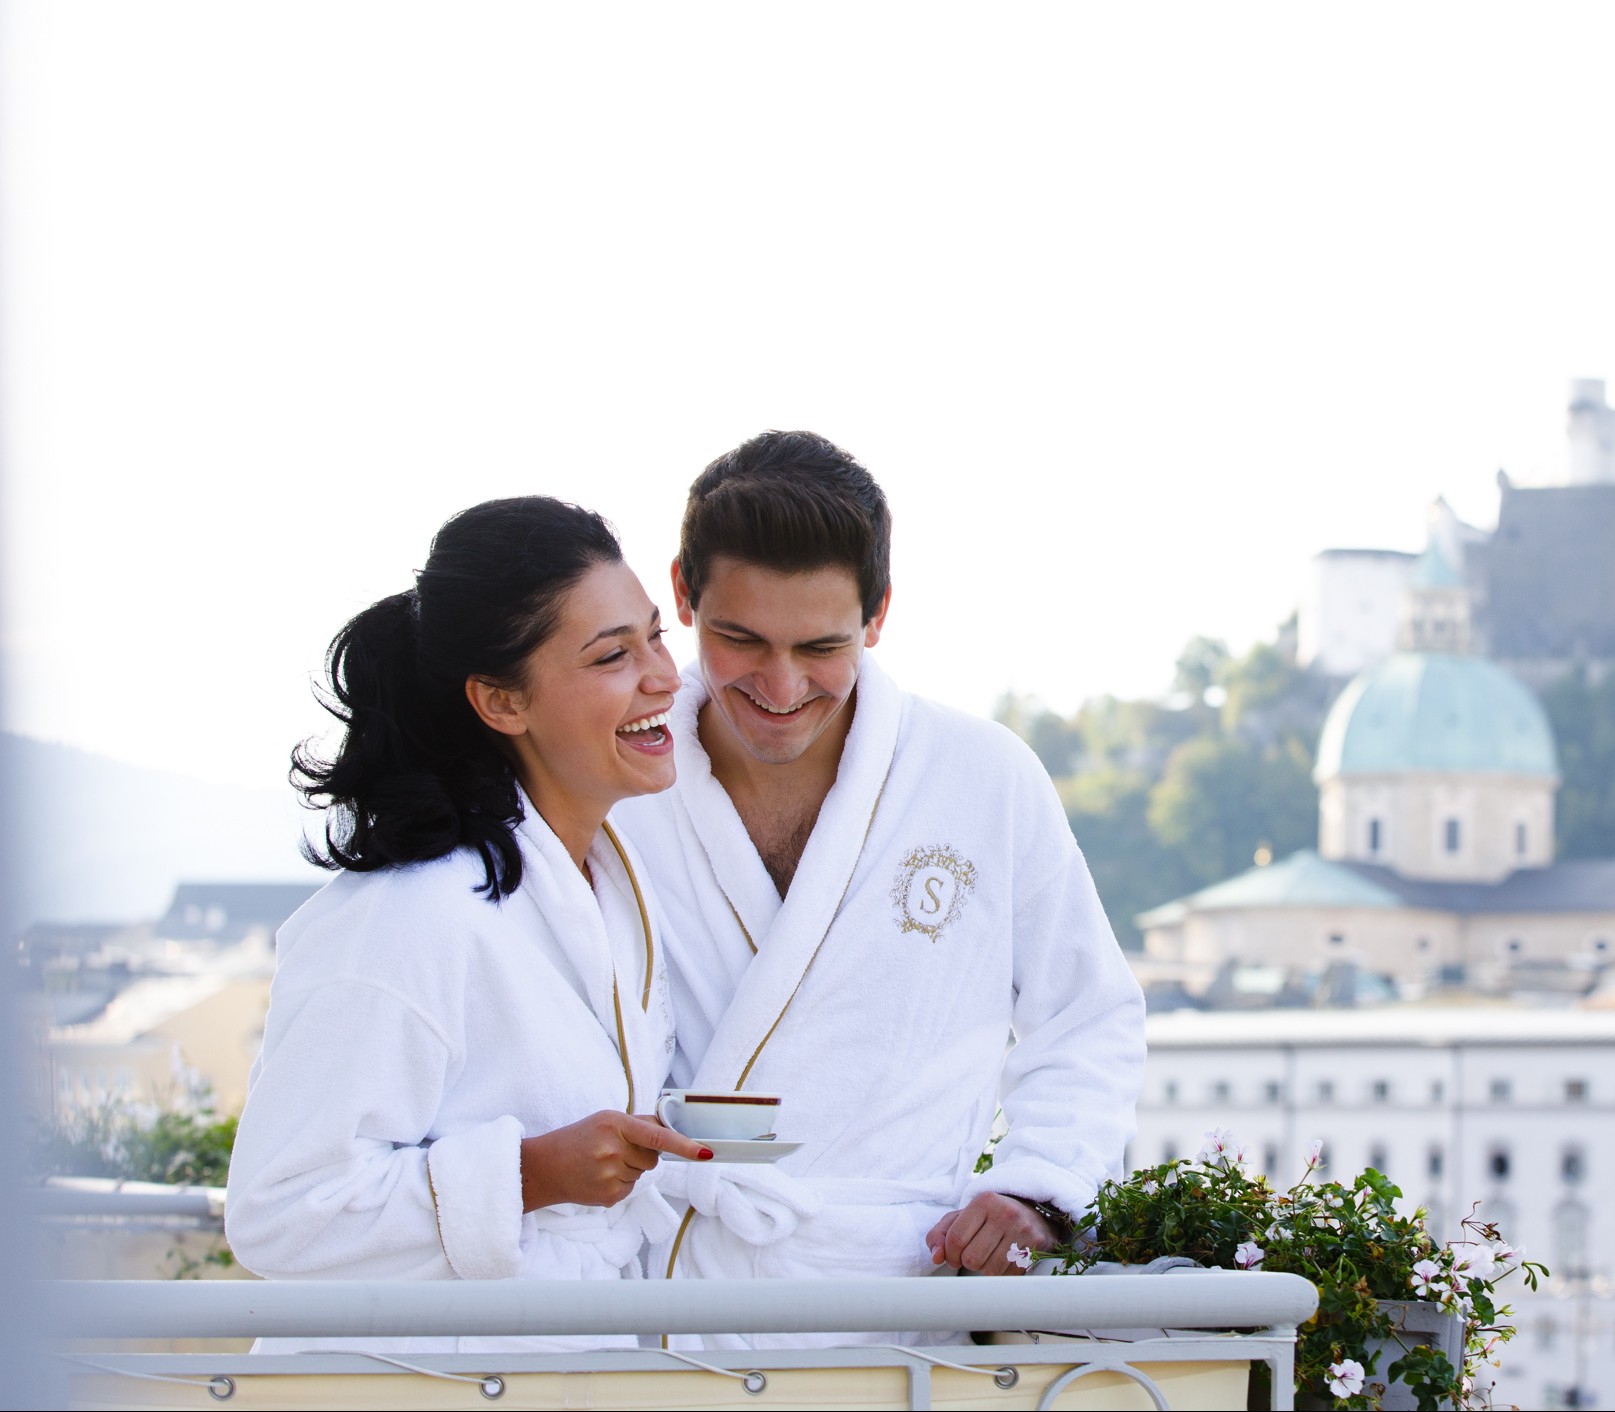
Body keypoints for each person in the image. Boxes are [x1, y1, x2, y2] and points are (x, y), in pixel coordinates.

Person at [613, 431, 1145, 1350]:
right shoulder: (616, 784)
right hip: (659, 1298)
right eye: (740, 639)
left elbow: (1086, 1015)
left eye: (820, 647)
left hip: (898, 1295)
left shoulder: (981, 777)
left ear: (879, 613)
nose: (780, 687)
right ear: (683, 594)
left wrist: (1038, 1188)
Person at [225, 496, 710, 1355]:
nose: (665, 678)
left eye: (655, 637)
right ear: (499, 700)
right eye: (612, 655)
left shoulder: (606, 889)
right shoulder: (404, 921)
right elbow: (277, 1213)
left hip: (558, 1368)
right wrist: (525, 1175)